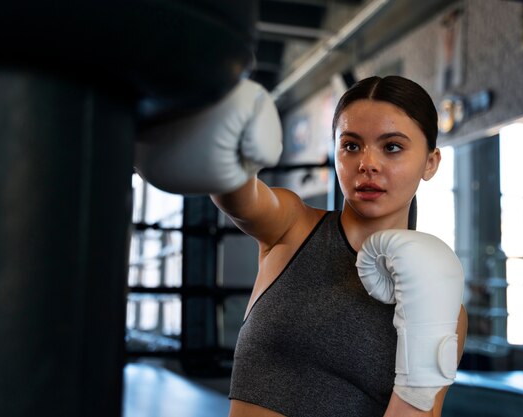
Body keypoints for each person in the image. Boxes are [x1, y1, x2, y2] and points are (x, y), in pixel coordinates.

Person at [135, 75, 468, 417]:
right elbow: (240, 197)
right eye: (351, 145)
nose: (368, 163)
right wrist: (224, 143)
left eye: (392, 147)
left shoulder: (443, 307)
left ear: (431, 163)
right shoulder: (292, 226)